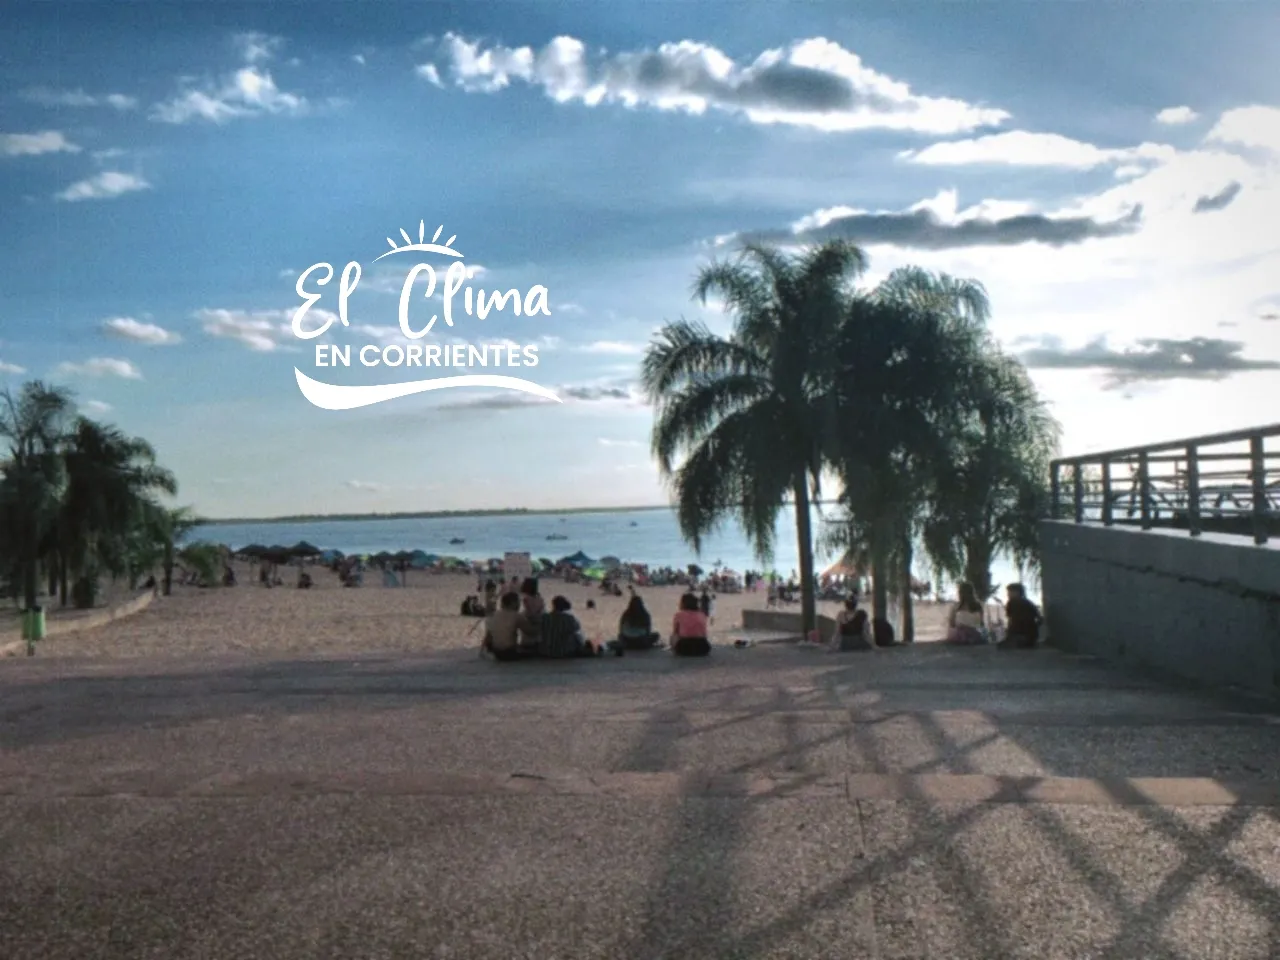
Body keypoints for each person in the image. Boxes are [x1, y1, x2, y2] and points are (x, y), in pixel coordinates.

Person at [483, 591, 534, 661]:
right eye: (518, 602)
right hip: (509, 652)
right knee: (532, 651)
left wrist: (482, 651)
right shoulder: (516, 615)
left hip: (496, 652)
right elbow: (530, 632)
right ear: (513, 603)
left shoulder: (495, 614)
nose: (519, 605)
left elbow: (488, 636)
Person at [999, 583, 1042, 649]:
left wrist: (1009, 636)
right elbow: (1040, 619)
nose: (1008, 594)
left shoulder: (1011, 603)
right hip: (1031, 638)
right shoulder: (1028, 603)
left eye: (1010, 592)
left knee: (1002, 646)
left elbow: (1011, 622)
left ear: (1017, 592)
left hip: (1020, 637)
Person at [671, 592, 711, 657]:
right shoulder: (702, 614)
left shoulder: (679, 615)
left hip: (684, 647)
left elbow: (675, 632)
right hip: (703, 647)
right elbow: (704, 633)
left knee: (674, 635)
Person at [519, 577, 544, 645]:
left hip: (531, 626)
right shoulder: (539, 597)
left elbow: (531, 613)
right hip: (539, 626)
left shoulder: (526, 598)